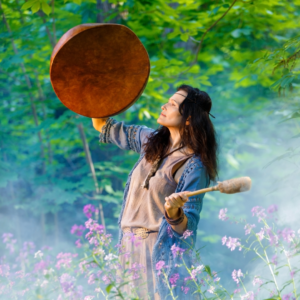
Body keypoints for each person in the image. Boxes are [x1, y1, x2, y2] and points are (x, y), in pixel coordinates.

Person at [92, 84, 218, 299]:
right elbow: (102, 124)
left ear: (188, 118)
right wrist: (97, 84)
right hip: (127, 246)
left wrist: (174, 211)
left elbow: (187, 230)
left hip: (159, 252)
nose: (164, 106)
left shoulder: (194, 165)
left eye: (172, 104)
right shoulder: (149, 140)